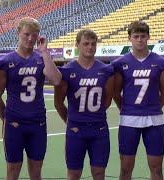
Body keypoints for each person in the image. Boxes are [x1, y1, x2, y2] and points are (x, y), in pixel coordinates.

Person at [0, 17, 61, 180]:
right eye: (26, 34)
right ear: (18, 33)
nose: (30, 39)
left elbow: (56, 80)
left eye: (34, 35)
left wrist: (44, 51)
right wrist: (7, 119)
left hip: (37, 122)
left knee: (36, 171)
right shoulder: (6, 61)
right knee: (13, 170)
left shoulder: (41, 59)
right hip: (14, 123)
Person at [111, 21, 164, 180]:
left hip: (154, 120)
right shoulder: (120, 63)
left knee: (157, 168)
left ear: (148, 37)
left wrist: (154, 108)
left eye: (143, 36)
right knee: (125, 169)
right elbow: (115, 93)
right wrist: (125, 109)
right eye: (136, 36)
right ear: (129, 38)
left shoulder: (161, 62)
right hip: (129, 120)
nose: (139, 40)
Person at [54, 29, 114, 180]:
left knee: (99, 173)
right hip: (76, 129)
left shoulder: (105, 70)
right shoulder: (67, 71)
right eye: (86, 43)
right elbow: (58, 103)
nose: (90, 47)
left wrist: (94, 114)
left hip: (99, 128)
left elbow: (107, 100)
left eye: (93, 44)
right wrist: (70, 120)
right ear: (77, 45)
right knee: (74, 174)